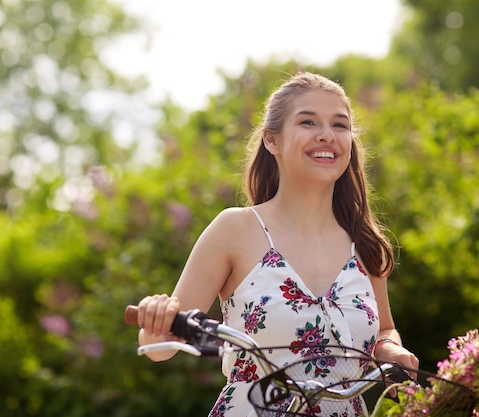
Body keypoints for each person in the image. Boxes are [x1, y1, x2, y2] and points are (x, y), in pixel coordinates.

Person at [136, 71, 419, 416]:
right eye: (308, 122)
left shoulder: (363, 242)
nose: (327, 135)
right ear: (272, 141)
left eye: (340, 125)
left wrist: (390, 349)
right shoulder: (235, 229)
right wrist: (155, 324)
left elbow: (385, 329)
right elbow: (162, 347)